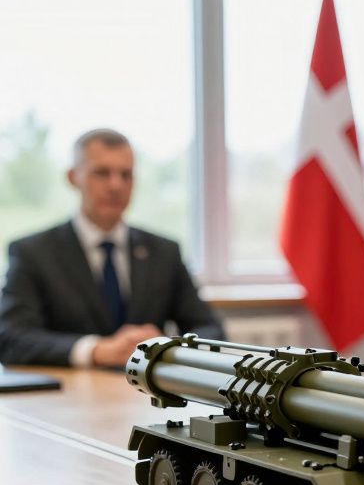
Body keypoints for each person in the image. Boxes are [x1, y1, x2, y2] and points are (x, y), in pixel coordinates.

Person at [0, 128, 224, 367]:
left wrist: (167, 347)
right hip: (68, 397)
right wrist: (95, 350)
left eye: (126, 175)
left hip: (148, 397)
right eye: (102, 173)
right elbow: (12, 338)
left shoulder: (164, 252)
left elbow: (210, 330)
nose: (116, 185)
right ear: (73, 177)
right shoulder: (34, 253)